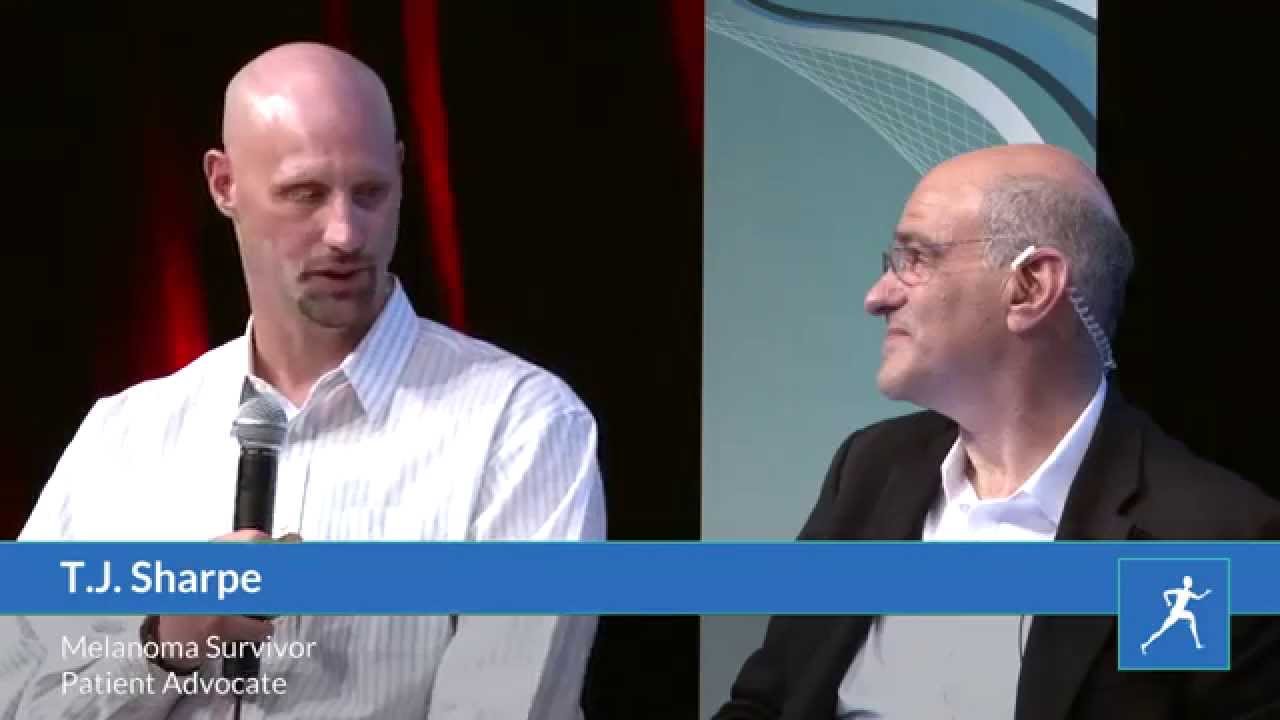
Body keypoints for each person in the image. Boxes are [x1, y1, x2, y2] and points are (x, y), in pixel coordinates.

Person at [7, 42, 605, 719]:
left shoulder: (521, 427)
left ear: (402, 173)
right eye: (306, 194)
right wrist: (164, 642)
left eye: (370, 192)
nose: (347, 234)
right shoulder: (124, 438)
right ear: (224, 184)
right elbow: (17, 696)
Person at [714, 144, 1280, 719]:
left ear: (1030, 286)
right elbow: (765, 702)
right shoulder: (869, 470)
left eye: (916, 258)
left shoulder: (1202, 543)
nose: (877, 296)